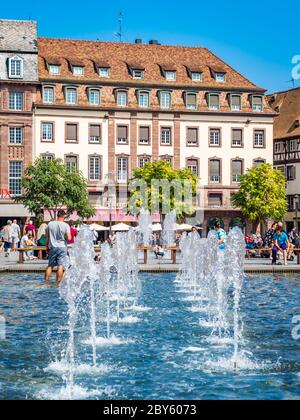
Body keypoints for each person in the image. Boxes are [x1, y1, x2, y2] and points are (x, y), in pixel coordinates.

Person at [45, 210, 72, 283]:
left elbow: (47, 237)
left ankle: (46, 281)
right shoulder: (66, 225)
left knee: (50, 265)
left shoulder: (50, 224)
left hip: (53, 247)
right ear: (64, 216)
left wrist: (46, 246)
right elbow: (69, 238)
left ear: (57, 215)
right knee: (60, 265)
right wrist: (64, 236)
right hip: (62, 247)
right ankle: (58, 282)